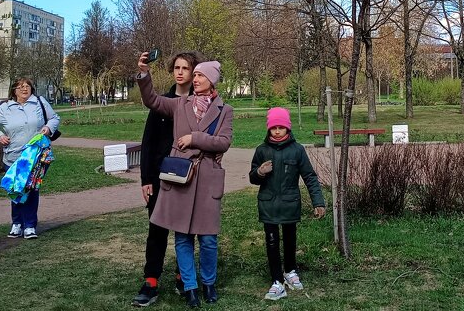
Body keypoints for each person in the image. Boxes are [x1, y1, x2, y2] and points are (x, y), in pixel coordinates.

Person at [136, 53, 233, 307]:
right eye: (195, 74)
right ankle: (189, 287)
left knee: (209, 239)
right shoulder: (179, 105)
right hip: (180, 180)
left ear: (211, 81)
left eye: (199, 74)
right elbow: (152, 101)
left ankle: (209, 283)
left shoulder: (225, 110)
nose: (194, 78)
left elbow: (224, 142)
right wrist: (144, 74)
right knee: (182, 237)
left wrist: (194, 138)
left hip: (207, 181)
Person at [132, 51, 201, 308]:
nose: (180, 72)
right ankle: (151, 281)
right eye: (176, 67)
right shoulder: (163, 103)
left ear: (194, 72)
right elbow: (148, 143)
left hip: (189, 176)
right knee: (157, 229)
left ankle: (183, 275)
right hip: (161, 176)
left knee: (186, 229)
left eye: (185, 68)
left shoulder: (200, 104)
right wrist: (146, 179)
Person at [249, 107, 326, 300]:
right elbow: (253, 178)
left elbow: (309, 176)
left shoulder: (297, 150)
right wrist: (260, 172)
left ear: (287, 128)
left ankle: (290, 271)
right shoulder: (261, 150)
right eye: (273, 127)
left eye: (280, 127)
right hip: (268, 205)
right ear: (268, 129)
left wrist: (318, 202)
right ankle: (276, 280)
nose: (276, 131)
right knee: (272, 242)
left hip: (290, 204)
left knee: (290, 239)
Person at [0, 77, 60, 239]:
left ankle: (30, 225)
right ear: (14, 91)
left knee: (31, 189)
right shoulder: (6, 108)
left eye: (27, 86)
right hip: (13, 157)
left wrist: (47, 127)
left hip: (37, 157)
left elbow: (54, 118)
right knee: (15, 189)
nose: (24, 89)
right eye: (20, 87)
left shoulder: (39, 102)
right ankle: (17, 223)